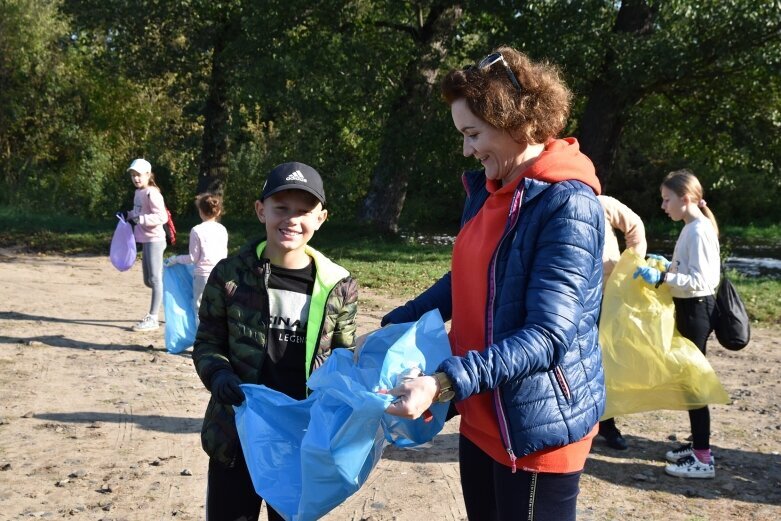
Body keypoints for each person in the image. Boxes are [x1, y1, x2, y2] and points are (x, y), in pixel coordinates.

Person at [379, 46, 605, 521]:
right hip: (483, 415)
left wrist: (444, 382)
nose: (466, 149)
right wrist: (392, 325)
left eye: (473, 133)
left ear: (517, 122)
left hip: (534, 428)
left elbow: (548, 337)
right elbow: (465, 276)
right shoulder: (489, 189)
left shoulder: (568, 205)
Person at [192, 161, 359, 521]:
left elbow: (344, 359)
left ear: (321, 218)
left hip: (301, 440)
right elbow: (208, 343)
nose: (291, 219)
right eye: (281, 208)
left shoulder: (339, 286)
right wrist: (219, 376)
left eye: (304, 211)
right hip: (236, 436)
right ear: (260, 210)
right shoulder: (230, 275)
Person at [633, 169, 720, 479]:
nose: (663, 206)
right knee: (688, 379)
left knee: (693, 382)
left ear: (685, 199)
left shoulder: (698, 230)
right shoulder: (691, 227)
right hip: (690, 307)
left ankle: (703, 457)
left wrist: (663, 277)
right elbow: (690, 270)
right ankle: (698, 443)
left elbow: (702, 281)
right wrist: (668, 266)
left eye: (667, 199)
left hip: (696, 309)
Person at [597, 195, 647, 450]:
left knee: (606, 360)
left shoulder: (602, 202)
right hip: (573, 295)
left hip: (608, 293)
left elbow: (634, 226)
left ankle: (607, 425)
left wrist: (628, 266)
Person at [164, 192, 229, 315]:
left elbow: (193, 258)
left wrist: (176, 259)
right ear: (218, 212)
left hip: (203, 275)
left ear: (200, 211)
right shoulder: (222, 229)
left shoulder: (197, 230)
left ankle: (201, 333)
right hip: (220, 274)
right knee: (218, 307)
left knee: (200, 308)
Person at [123, 158, 168, 332]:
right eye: (133, 175)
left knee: (156, 279)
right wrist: (127, 215)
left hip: (156, 240)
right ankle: (170, 294)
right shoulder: (138, 193)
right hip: (145, 239)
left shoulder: (152, 193)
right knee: (149, 281)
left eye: (139, 175)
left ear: (148, 175)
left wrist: (141, 219)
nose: (136, 179)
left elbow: (162, 217)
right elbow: (137, 212)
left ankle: (153, 318)